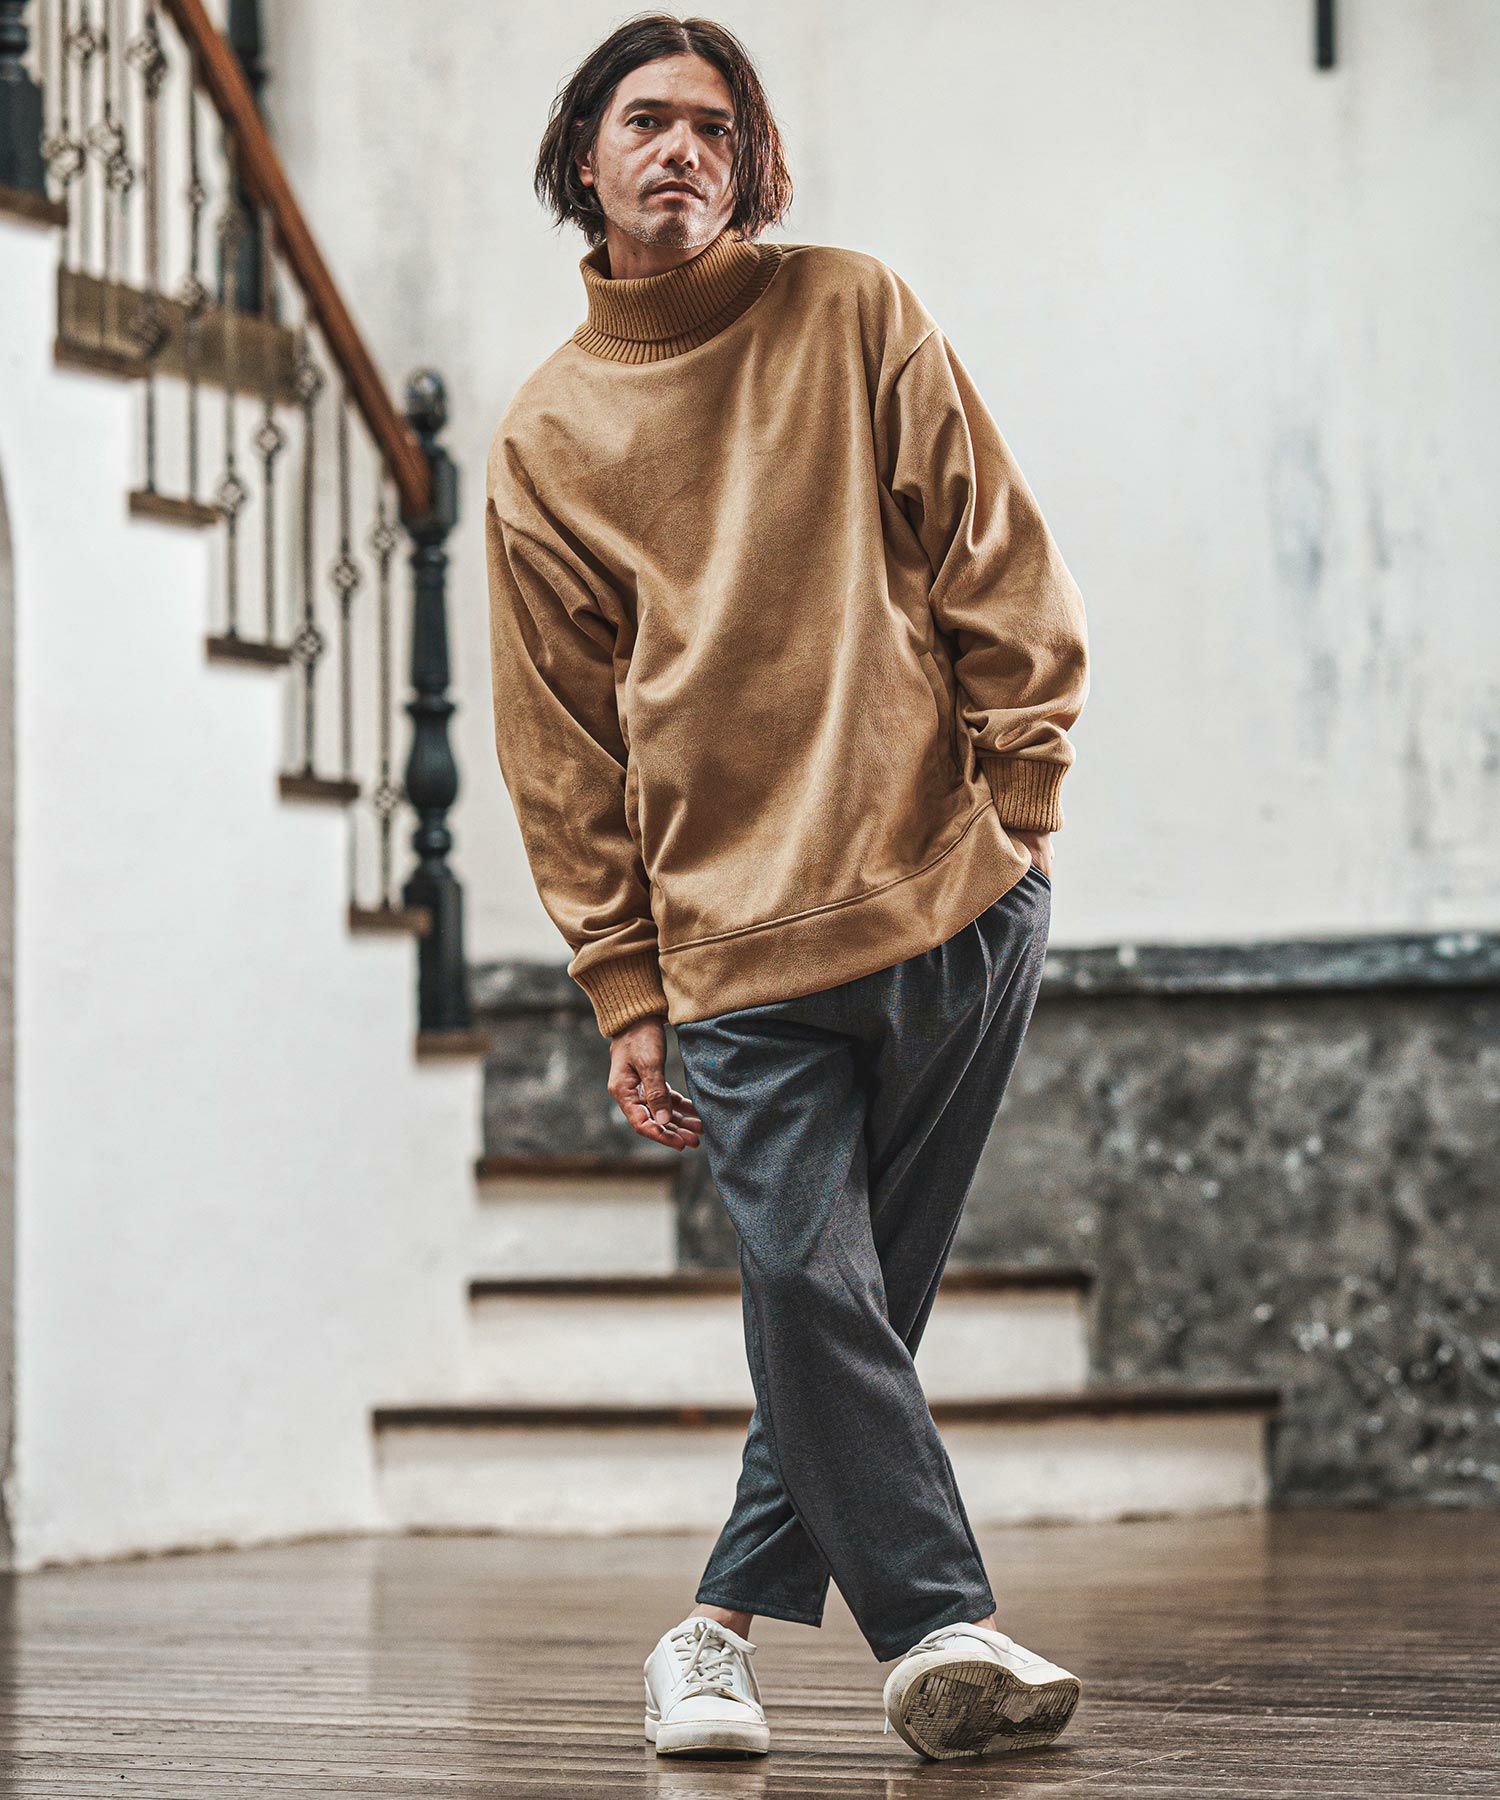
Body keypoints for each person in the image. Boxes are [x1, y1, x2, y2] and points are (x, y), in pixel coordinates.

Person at [485, 12, 1090, 1765]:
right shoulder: (546, 437)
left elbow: (989, 544)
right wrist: (623, 983)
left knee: (848, 1306)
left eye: (714, 124)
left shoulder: (854, 310)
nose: (681, 148)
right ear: (584, 158)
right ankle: (940, 1630)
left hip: (952, 898)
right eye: (645, 120)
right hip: (733, 951)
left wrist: (1025, 786)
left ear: (751, 162)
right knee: (822, 1296)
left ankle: (711, 1637)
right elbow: (558, 749)